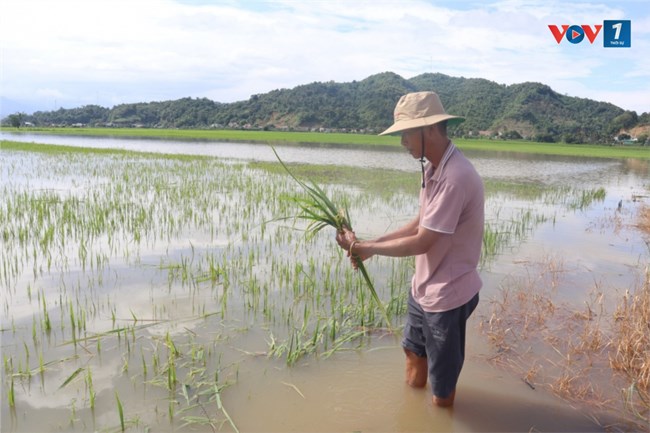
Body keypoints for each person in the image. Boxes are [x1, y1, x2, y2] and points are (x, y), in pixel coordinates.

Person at [336, 91, 484, 408]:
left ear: (428, 129)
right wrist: (369, 246)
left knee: (442, 387)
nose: (402, 141)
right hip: (423, 287)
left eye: (405, 133)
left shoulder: (455, 177)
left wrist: (366, 248)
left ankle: (440, 416)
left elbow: (423, 241)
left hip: (447, 295)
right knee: (413, 351)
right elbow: (419, 224)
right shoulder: (433, 169)